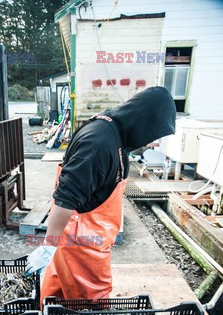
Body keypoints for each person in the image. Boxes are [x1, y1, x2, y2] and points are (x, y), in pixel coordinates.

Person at [25, 86, 176, 303]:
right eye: (151, 135)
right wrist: (48, 245)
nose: (147, 142)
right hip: (82, 244)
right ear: (142, 122)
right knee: (92, 304)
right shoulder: (99, 144)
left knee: (58, 292)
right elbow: (65, 198)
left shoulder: (115, 130)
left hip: (89, 239)